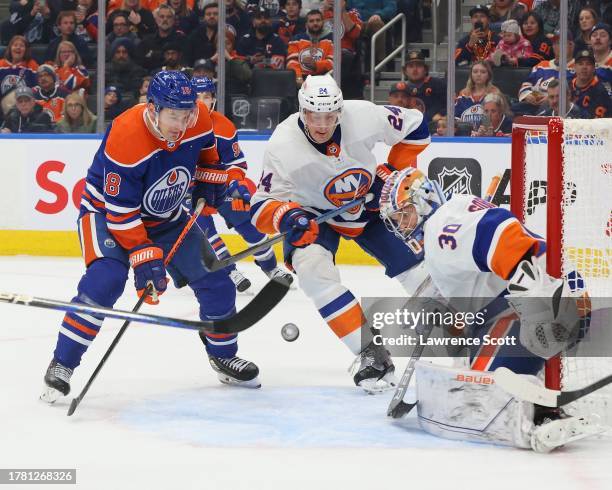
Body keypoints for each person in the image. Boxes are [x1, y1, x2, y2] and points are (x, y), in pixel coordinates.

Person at [40, 71, 262, 405]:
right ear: (153, 107)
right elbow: (121, 211)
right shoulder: (126, 135)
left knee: (218, 282)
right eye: (174, 115)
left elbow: (207, 155)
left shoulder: (197, 116)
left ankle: (223, 356)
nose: (183, 122)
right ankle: (63, 364)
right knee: (105, 283)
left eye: (187, 113)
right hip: (107, 216)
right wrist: (145, 259)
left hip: (167, 215)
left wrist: (209, 181)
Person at [378, 167, 602, 453]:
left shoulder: (439, 228)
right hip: (549, 299)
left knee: (478, 398)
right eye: (397, 219)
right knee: (470, 372)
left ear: (423, 201)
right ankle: (541, 396)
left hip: (544, 303)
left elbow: (498, 230)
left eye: (403, 215)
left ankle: (544, 416)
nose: (402, 226)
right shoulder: (450, 214)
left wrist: (535, 303)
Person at [250, 74, 431, 392]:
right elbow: (260, 209)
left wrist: (394, 172)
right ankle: (370, 353)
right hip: (312, 216)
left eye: (329, 116)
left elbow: (416, 126)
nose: (321, 124)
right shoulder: (283, 144)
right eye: (314, 116)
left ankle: (471, 338)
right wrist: (287, 216)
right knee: (313, 270)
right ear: (302, 111)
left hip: (370, 203)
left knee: (420, 272)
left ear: (340, 111)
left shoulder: (362, 115)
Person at [190, 76, 294, 291]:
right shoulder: (177, 126)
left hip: (221, 186)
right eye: (197, 97)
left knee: (249, 225)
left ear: (214, 100)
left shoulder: (224, 126)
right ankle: (230, 272)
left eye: (206, 97)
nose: (201, 102)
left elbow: (236, 162)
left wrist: (236, 184)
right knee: (206, 234)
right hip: (191, 190)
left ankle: (270, 268)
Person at [516, 29, 575, 116]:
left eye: (560, 43)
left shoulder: (577, 67)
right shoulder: (542, 65)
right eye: (555, 43)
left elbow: (574, 93)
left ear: (571, 45)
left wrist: (551, 98)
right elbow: (525, 85)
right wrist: (528, 95)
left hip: (556, 109)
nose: (556, 46)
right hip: (532, 106)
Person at [287, 9, 334, 86]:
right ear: (306, 25)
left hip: (324, 79)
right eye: (311, 21)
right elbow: (292, 62)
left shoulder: (331, 39)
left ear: (323, 22)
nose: (315, 23)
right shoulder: (297, 39)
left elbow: (333, 63)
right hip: (301, 78)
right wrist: (298, 78)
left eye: (318, 20)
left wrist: (316, 65)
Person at [136, 3, 186, 72]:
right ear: (156, 20)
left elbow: (184, 64)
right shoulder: (146, 42)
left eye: (169, 17)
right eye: (162, 17)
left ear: (173, 20)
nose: (165, 19)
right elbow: (138, 65)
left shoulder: (181, 40)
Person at [454, 61, 501, 131]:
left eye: (483, 72)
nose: (478, 74)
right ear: (471, 75)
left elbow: (498, 118)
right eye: (475, 72)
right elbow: (455, 117)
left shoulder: (494, 93)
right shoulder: (463, 94)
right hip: (465, 136)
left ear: (488, 75)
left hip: (487, 135)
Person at [402, 50, 446, 123]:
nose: (415, 70)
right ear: (405, 71)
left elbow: (450, 106)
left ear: (425, 69)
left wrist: (440, 114)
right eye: (411, 66)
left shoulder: (438, 84)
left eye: (418, 66)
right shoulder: (401, 90)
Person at [570, 47, 612, 118]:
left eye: (588, 64)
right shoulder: (567, 86)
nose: (584, 67)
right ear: (574, 67)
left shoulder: (602, 91)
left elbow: (597, 123)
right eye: (580, 64)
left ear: (594, 68)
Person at [590, 23, 612, 87]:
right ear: (590, 41)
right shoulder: (586, 61)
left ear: (610, 40)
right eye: (594, 35)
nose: (598, 38)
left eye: (603, 35)